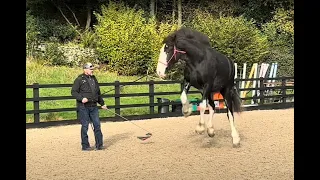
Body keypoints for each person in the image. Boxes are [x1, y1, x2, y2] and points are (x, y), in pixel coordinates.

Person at [71, 62, 108, 151]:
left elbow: (97, 93)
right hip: (83, 107)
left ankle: (99, 144)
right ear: (85, 69)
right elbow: (73, 92)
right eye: (90, 69)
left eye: (92, 69)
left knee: (97, 125)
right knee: (85, 126)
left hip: (94, 106)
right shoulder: (79, 79)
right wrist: (81, 98)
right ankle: (85, 145)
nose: (92, 71)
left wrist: (102, 103)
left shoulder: (94, 79)